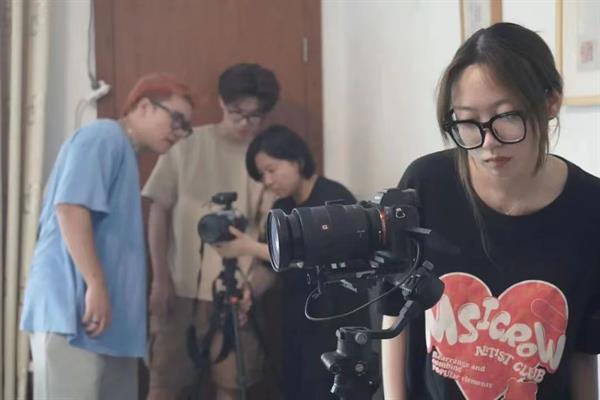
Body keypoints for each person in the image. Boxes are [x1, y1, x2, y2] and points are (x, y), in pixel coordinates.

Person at [380, 22, 600, 400]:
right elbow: (393, 311)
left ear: (550, 102)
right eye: (467, 122)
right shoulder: (427, 184)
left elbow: (583, 348)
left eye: (507, 116)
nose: (488, 143)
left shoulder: (589, 207)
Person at [19, 73, 194, 400]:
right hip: (74, 313)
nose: (179, 132)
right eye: (176, 119)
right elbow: (70, 209)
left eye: (186, 127)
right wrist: (96, 285)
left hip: (107, 323)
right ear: (144, 106)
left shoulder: (125, 153)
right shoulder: (103, 136)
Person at [142, 63, 280, 400]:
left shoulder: (267, 159)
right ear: (221, 102)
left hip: (239, 293)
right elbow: (158, 211)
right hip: (181, 289)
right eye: (237, 113)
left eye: (255, 116)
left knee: (232, 387)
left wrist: (254, 288)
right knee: (165, 384)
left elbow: (272, 237)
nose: (245, 123)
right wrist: (160, 280)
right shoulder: (187, 145)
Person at [246, 124, 371, 400]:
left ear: (296, 161)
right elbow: (272, 268)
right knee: (295, 386)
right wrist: (248, 293)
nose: (267, 181)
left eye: (271, 170)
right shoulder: (281, 209)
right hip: (296, 317)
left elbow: (316, 257)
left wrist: (249, 247)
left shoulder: (333, 198)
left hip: (335, 319)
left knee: (325, 388)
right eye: (261, 175)